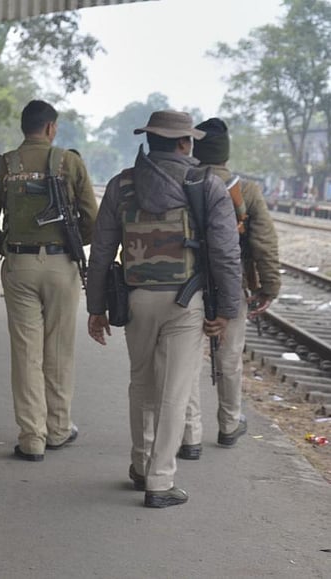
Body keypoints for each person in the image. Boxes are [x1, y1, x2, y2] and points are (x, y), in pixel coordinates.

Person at [86, 110, 241, 508]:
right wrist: (225, 309)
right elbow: (225, 253)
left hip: (135, 299)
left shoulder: (122, 184)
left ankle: (139, 465)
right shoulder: (206, 183)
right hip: (185, 303)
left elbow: (102, 249)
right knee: (174, 391)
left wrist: (96, 307)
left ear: (150, 141)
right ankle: (160, 480)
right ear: (185, 143)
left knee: (141, 383)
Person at [0, 99, 98, 462]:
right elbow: (92, 218)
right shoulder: (70, 162)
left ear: (24, 128)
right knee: (59, 350)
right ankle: (59, 429)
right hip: (62, 265)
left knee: (26, 353)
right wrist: (71, 245)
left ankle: (32, 437)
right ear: (51, 128)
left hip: (19, 265)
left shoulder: (4, 164)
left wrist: (11, 249)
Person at [176, 117, 281, 460]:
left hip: (185, 283)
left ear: (196, 147)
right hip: (231, 283)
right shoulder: (245, 189)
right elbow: (264, 242)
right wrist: (268, 286)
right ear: (225, 152)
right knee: (230, 357)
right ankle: (229, 424)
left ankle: (190, 433)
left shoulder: (184, 180)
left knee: (188, 359)